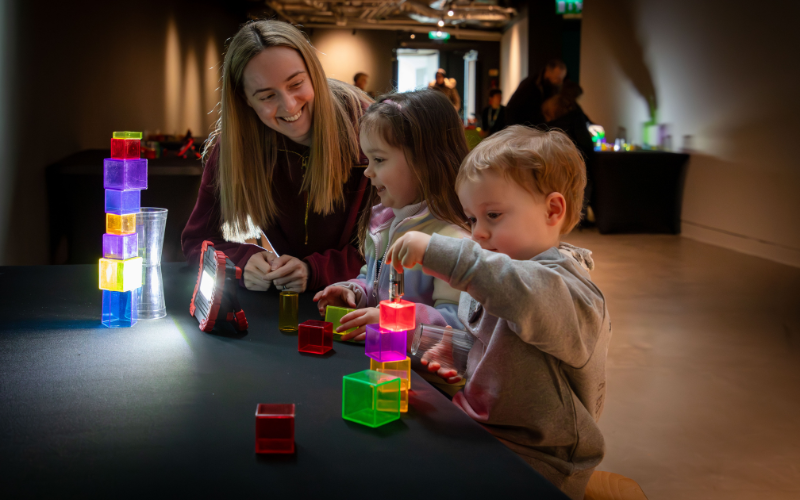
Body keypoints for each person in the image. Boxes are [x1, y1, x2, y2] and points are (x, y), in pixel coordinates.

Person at [384, 126, 611, 500]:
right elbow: (492, 344)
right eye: (472, 220)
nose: (478, 235)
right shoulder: (496, 272)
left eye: (493, 215)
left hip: (541, 462)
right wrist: (446, 348)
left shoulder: (571, 291)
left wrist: (442, 252)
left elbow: (524, 297)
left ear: (553, 210)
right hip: (482, 431)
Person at [181, 20, 373, 293]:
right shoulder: (236, 146)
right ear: (245, 99)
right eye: (267, 95)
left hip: (364, 306)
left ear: (314, 72)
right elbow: (196, 240)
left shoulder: (369, 130)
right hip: (285, 308)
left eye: (296, 84)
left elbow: (392, 250)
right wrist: (244, 261)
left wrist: (314, 269)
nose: (289, 105)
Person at [313, 89, 470, 347]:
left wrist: (390, 320)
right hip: (381, 360)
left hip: (423, 381)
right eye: (368, 159)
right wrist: (353, 292)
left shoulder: (452, 241)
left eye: (379, 159)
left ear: (425, 160)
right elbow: (373, 283)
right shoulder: (384, 222)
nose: (367, 172)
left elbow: (457, 328)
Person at [505, 59, 567, 128]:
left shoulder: (552, 87)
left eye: (562, 78)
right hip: (525, 129)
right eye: (557, 78)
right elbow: (513, 108)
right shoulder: (529, 86)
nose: (560, 82)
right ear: (548, 72)